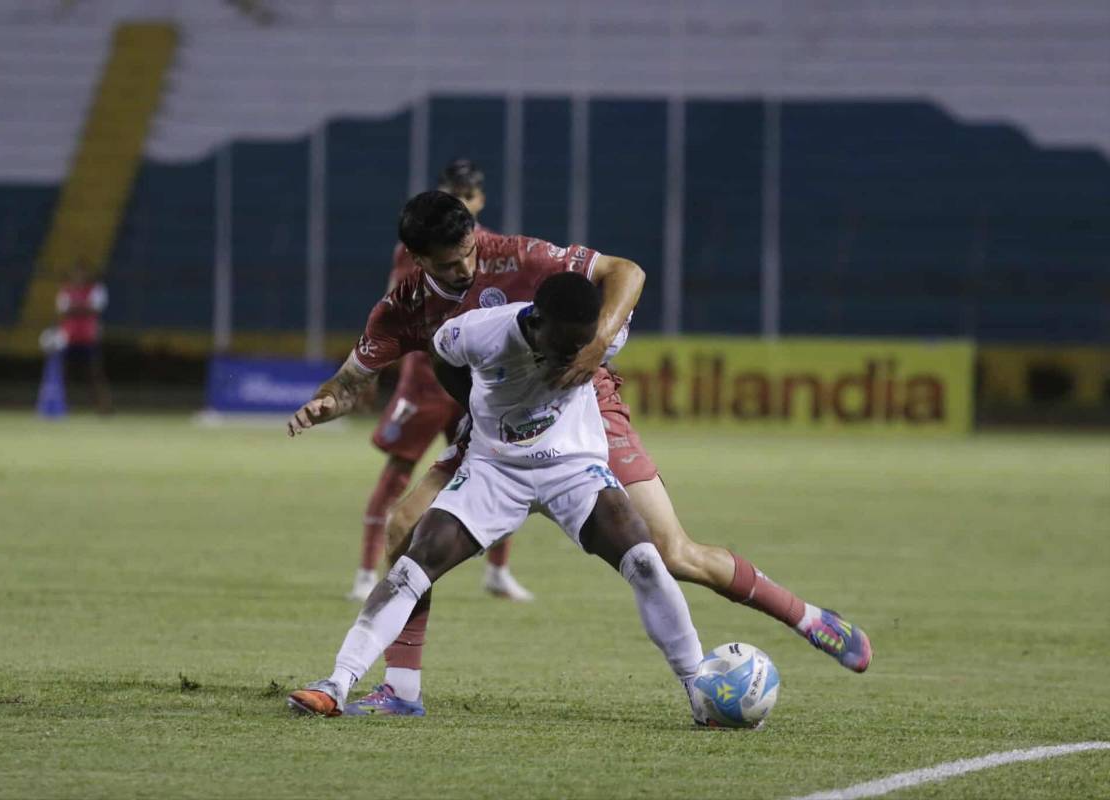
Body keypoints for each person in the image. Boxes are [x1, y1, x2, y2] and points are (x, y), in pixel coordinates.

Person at [288, 191, 871, 715]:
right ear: (417, 260)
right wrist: (322, 405)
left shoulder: (517, 256)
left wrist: (593, 348)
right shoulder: (408, 306)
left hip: (583, 403)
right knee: (404, 529)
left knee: (671, 553)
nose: (467, 266)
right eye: (449, 263)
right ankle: (401, 690)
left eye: (469, 251)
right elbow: (351, 381)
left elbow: (626, 271)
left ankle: (808, 618)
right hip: (498, 431)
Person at [288, 273, 708, 724]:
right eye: (564, 344)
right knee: (414, 563)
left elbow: (629, 278)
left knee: (644, 559)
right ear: (537, 321)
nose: (574, 355)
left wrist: (595, 345)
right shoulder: (479, 330)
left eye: (582, 345)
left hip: (574, 467)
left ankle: (702, 690)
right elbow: (442, 355)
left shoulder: (602, 334)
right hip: (495, 470)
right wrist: (475, 407)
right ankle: (336, 683)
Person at [350, 159, 532, 603]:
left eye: (469, 195)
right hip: (424, 382)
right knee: (398, 472)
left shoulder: (493, 248)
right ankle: (364, 571)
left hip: (479, 385)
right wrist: (370, 368)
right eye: (455, 193)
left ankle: (498, 572)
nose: (464, 201)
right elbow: (395, 311)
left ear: (480, 200)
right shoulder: (415, 248)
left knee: (496, 473)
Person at [56, 265, 112, 414]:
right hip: (70, 338)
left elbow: (94, 309)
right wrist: (84, 308)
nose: (79, 277)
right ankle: (63, 406)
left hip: (89, 337)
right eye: (76, 274)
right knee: (64, 374)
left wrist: (75, 308)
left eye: (82, 274)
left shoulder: (95, 290)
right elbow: (64, 310)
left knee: (95, 374)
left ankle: (103, 407)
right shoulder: (66, 290)